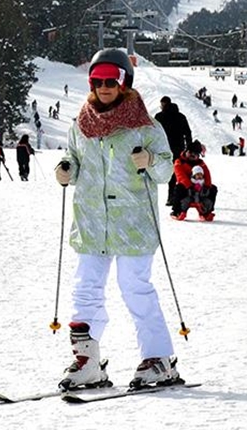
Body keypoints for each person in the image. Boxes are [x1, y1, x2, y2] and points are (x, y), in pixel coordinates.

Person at [53, 48, 180, 391]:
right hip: (92, 221)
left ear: (125, 82)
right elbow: (73, 159)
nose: (105, 86)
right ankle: (87, 360)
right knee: (86, 289)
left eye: (112, 80)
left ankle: (159, 359)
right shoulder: (81, 125)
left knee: (134, 286)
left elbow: (167, 171)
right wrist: (66, 169)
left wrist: (151, 159)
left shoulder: (146, 127)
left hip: (133, 223)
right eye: (98, 81)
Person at [155, 96, 193, 206]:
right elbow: (188, 132)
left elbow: (153, 131)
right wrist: (188, 148)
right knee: (177, 171)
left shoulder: (159, 116)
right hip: (179, 148)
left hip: (163, 148)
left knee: (165, 171)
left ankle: (171, 197)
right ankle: (175, 195)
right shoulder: (181, 116)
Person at [171, 140, 217, 221]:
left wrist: (207, 186)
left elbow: (207, 175)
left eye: (196, 154)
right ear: (186, 151)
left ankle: (207, 211)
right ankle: (177, 211)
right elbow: (180, 176)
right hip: (186, 188)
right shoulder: (179, 162)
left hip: (200, 189)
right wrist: (189, 187)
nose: (193, 156)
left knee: (213, 188)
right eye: (191, 153)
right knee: (178, 188)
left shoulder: (200, 163)